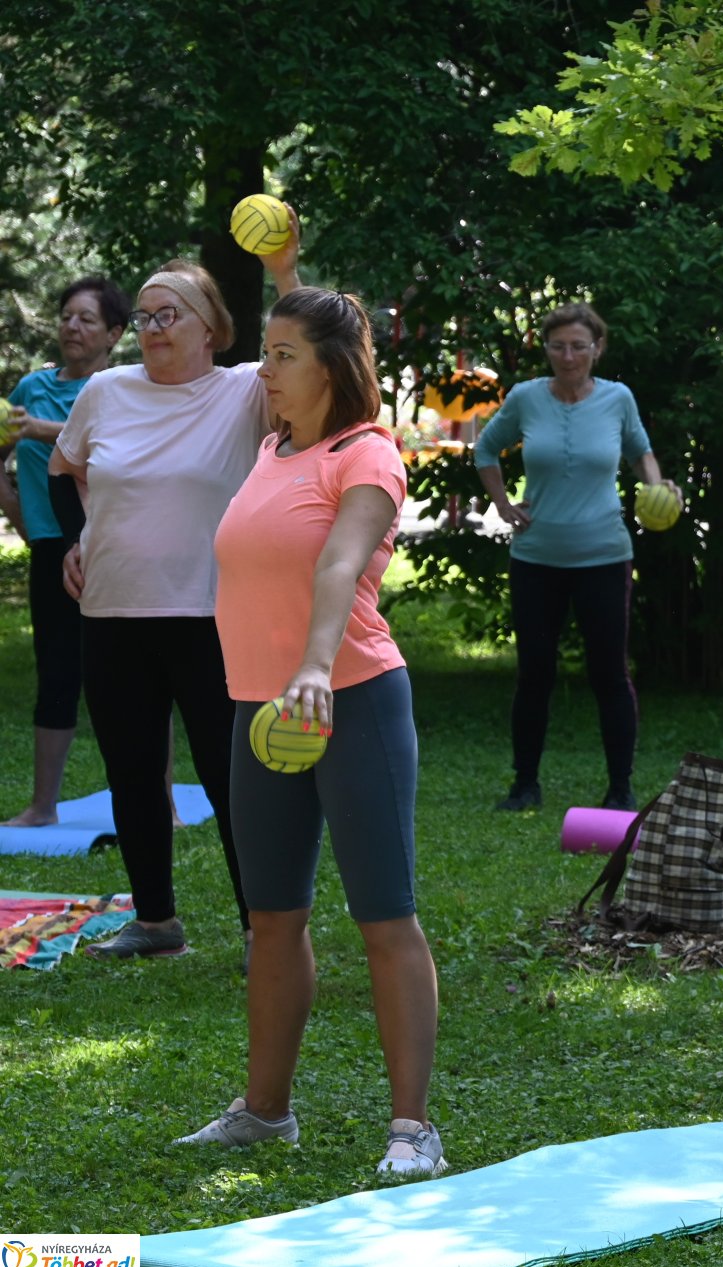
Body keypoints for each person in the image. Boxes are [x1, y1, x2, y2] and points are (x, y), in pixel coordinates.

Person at [177, 287, 445, 1178]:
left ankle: (413, 1130)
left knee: (384, 914)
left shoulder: (367, 455)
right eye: (266, 351)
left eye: (283, 355)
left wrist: (315, 669)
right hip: (263, 710)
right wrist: (285, 270)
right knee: (272, 917)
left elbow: (339, 563)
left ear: (331, 368)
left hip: (349, 697)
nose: (264, 369)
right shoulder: (272, 447)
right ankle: (264, 1112)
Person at [55, 242, 303, 961]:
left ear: (211, 328)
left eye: (169, 314)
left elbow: (317, 351)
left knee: (234, 781)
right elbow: (62, 469)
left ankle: (262, 929)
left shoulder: (245, 390)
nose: (152, 327)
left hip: (212, 617)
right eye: (143, 316)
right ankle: (157, 923)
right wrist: (75, 540)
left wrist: (284, 271)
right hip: (113, 613)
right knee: (132, 775)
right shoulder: (106, 391)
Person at [473, 304, 679, 813]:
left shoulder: (617, 398)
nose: (568, 356)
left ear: (597, 349)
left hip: (603, 556)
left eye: (579, 346)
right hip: (536, 558)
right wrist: (502, 504)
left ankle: (620, 788)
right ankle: (524, 785)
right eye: (558, 346)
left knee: (609, 673)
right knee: (534, 674)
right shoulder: (526, 398)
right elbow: (485, 449)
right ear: (546, 349)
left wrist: (657, 489)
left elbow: (640, 452)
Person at [1, 278, 128, 827]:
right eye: (66, 316)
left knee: (131, 677)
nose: (72, 327)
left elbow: (109, 447)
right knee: (56, 673)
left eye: (87, 319)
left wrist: (38, 429)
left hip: (116, 548)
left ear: (114, 334)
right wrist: (22, 519)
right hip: (53, 549)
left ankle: (164, 804)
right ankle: (42, 807)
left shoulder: (123, 389)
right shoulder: (31, 388)